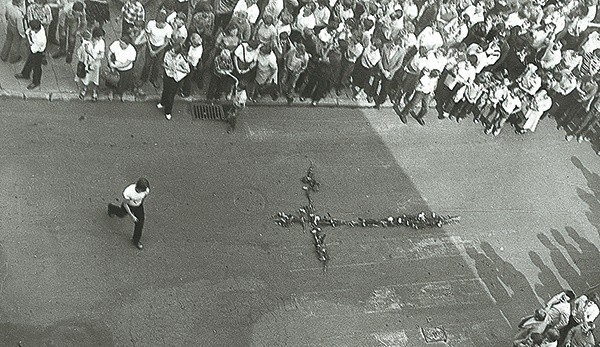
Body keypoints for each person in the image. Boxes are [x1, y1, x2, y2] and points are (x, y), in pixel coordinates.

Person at [108, 178, 150, 250]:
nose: (144, 191)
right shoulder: (129, 192)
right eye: (142, 190)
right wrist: (132, 216)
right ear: (138, 188)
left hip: (138, 206)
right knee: (121, 214)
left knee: (140, 223)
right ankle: (111, 208)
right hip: (129, 206)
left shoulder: (146, 190)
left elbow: (143, 197)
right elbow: (125, 204)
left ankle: (135, 240)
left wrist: (138, 204)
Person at [157, 44, 190, 120]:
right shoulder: (167, 54)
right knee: (165, 89)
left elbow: (187, 70)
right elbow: (163, 63)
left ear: (177, 53)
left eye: (173, 52)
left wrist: (178, 69)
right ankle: (162, 102)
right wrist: (168, 67)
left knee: (171, 95)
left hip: (175, 78)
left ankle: (168, 111)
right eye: (171, 50)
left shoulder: (181, 59)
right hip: (167, 74)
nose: (171, 52)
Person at [140, 12, 173, 88]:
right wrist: (150, 49)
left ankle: (153, 79)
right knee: (147, 64)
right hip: (150, 45)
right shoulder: (151, 24)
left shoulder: (168, 29)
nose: (157, 25)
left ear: (164, 23)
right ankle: (143, 79)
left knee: (157, 64)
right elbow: (147, 36)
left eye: (159, 23)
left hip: (160, 48)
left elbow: (166, 42)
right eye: (156, 23)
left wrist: (156, 51)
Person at [14, 19, 46, 90]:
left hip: (37, 51)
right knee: (29, 61)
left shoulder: (40, 39)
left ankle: (36, 82)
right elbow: (29, 31)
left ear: (35, 29)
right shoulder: (37, 28)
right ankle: (25, 74)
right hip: (34, 49)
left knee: (36, 67)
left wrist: (29, 38)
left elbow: (33, 48)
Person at [75, 27, 105, 100]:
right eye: (99, 36)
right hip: (87, 63)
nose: (101, 38)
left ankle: (94, 91)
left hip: (95, 63)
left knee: (95, 78)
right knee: (86, 77)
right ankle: (84, 89)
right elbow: (80, 51)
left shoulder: (101, 42)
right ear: (95, 36)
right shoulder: (87, 41)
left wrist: (94, 57)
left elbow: (102, 55)